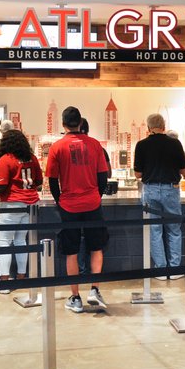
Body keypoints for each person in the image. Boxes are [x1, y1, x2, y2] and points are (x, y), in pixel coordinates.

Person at [46, 106, 110, 312]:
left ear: (63, 124)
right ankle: (94, 290)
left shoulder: (57, 147)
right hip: (92, 203)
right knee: (96, 247)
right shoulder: (95, 145)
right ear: (80, 123)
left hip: (69, 205)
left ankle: (75, 298)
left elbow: (53, 180)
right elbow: (103, 177)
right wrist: (95, 196)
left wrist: (60, 201)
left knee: (71, 252)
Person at [0, 129, 43, 293]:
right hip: (30, 205)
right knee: (21, 241)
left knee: (4, 242)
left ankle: (4, 284)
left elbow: (1, 186)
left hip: (11, 206)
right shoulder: (32, 158)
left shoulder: (6, 159)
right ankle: (21, 278)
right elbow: (38, 182)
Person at [133, 113, 185, 277]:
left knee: (154, 230)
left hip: (150, 189)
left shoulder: (141, 145)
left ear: (149, 128)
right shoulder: (175, 143)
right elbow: (183, 170)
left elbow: (137, 174)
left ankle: (161, 269)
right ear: (163, 126)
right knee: (174, 230)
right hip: (171, 189)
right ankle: (175, 269)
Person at [77, 117, 111, 274]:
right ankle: (94, 275)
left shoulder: (65, 147)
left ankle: (82, 271)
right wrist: (98, 194)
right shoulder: (98, 147)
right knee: (95, 239)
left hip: (72, 202)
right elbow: (106, 174)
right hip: (93, 201)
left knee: (79, 237)